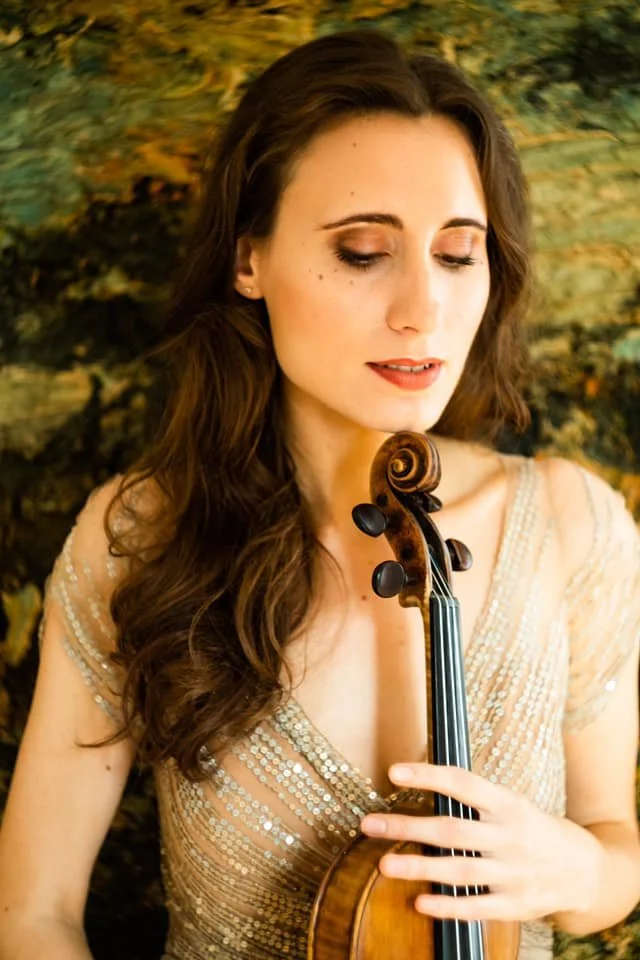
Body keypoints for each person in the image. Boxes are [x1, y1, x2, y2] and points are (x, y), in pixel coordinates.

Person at [0, 27, 638, 960]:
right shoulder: (138, 535)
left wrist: (576, 872)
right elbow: (33, 913)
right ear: (247, 259)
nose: (422, 309)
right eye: (365, 251)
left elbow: (615, 852)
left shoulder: (575, 525)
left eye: (459, 254)